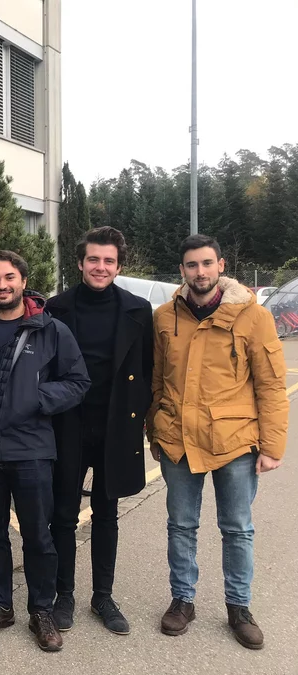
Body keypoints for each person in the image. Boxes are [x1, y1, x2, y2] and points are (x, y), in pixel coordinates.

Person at [147, 234, 288, 650]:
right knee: (181, 525)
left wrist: (272, 446)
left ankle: (239, 607)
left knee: (237, 528)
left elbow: (271, 384)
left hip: (235, 441)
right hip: (178, 440)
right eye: (192, 265)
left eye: (207, 264)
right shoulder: (164, 317)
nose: (200, 272)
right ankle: (183, 600)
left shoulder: (252, 316)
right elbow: (158, 379)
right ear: (182, 271)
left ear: (221, 266)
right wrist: (154, 430)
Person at [0, 250, 89, 652]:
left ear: (23, 281)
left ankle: (41, 610)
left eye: (9, 277)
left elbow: (78, 381)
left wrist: (37, 397)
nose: (2, 285)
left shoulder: (51, 330)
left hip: (31, 451)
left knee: (37, 537)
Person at [46, 227, 153, 636]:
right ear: (80, 262)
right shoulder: (56, 308)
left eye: (109, 261)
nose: (100, 267)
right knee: (63, 516)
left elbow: (147, 370)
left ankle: (103, 597)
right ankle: (65, 596)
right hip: (68, 425)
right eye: (93, 259)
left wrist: (140, 415)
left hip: (115, 429)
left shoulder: (138, 310)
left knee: (108, 514)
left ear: (118, 265)